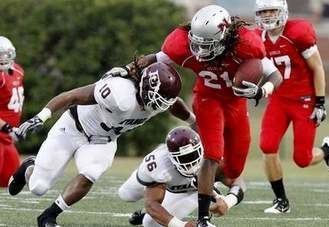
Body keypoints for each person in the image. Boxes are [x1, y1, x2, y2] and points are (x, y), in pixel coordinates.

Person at [113, 5, 283, 226]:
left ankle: (191, 184)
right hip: (207, 98)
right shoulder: (182, 45)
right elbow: (153, 59)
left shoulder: (246, 46)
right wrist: (126, 70)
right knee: (212, 154)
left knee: (233, 169)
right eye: (198, 42)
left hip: (236, 105)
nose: (200, 50)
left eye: (207, 44)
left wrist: (262, 91)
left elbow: (275, 75)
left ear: (225, 36)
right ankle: (203, 217)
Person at [8, 62, 194, 227]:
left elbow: (173, 103)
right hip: (73, 128)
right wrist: (41, 117)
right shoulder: (119, 93)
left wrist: (193, 120)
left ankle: (49, 216)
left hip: (103, 141)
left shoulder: (158, 99)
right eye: (158, 99)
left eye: (163, 101)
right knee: (38, 187)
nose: (158, 106)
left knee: (90, 174)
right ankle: (29, 168)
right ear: (146, 87)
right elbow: (71, 96)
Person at [254, 0, 329, 214]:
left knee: (302, 159)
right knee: (267, 146)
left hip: (304, 99)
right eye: (263, 11)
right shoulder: (257, 37)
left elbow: (318, 68)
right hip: (279, 99)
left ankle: (327, 150)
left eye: (272, 10)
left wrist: (320, 102)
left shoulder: (298, 32)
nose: (267, 15)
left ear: (282, 11)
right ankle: (281, 201)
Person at [118, 126, 246, 227]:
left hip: (190, 192)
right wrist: (184, 225)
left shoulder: (211, 157)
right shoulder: (161, 165)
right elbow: (152, 203)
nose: (190, 162)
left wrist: (228, 202)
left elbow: (237, 180)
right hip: (163, 179)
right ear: (171, 157)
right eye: (184, 157)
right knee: (125, 194)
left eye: (194, 154)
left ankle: (148, 214)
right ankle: (152, 188)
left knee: (150, 224)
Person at [0, 36, 24, 187]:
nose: (2, 58)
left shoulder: (18, 71)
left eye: (4, 54)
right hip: (2, 132)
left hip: (7, 138)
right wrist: (7, 127)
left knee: (10, 182)